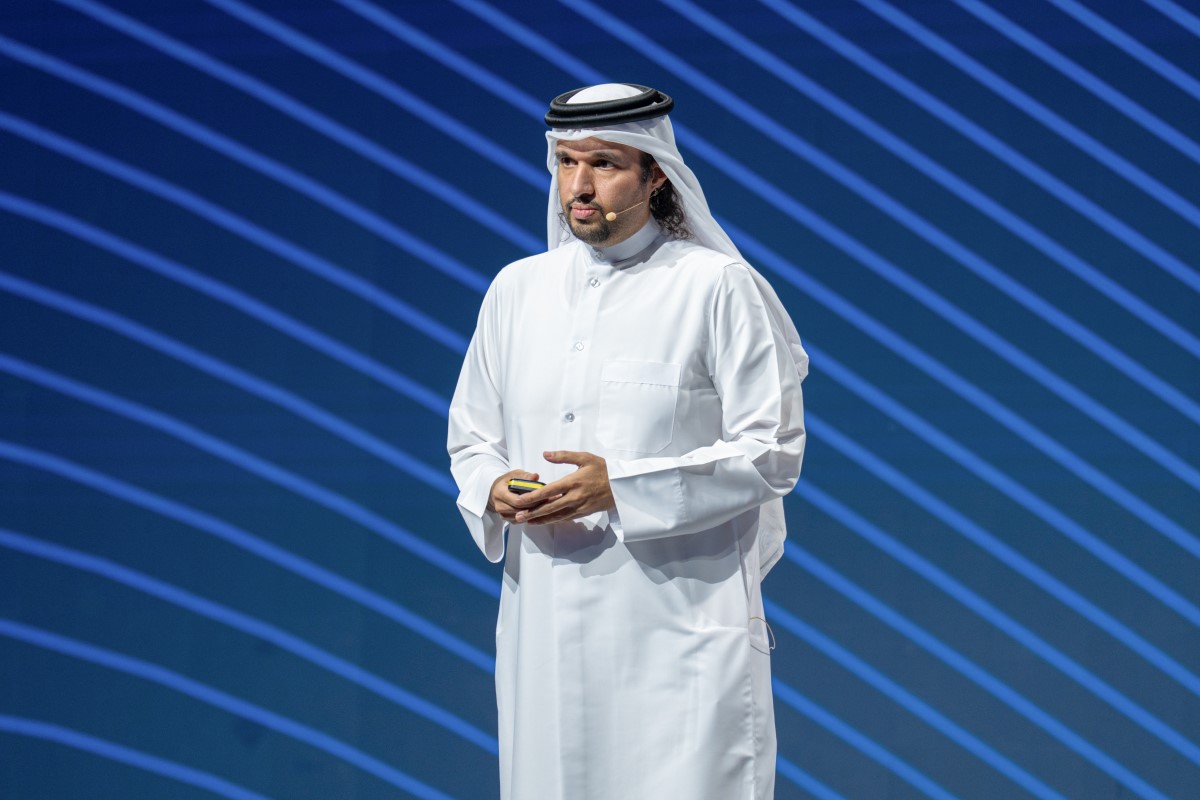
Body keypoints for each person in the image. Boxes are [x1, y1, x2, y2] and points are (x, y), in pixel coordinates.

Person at [447, 83, 808, 800]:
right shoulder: (516, 291)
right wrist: (491, 486)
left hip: (679, 635)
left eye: (605, 164)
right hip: (545, 631)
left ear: (656, 175)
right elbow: (471, 435)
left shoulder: (714, 286)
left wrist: (620, 486)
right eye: (566, 162)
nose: (579, 187)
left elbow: (771, 449)